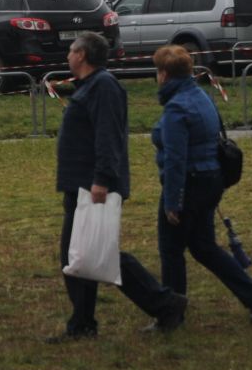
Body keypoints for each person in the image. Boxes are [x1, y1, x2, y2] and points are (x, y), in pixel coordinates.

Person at [47, 32, 185, 341]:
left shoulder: (103, 87)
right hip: (81, 184)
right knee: (83, 256)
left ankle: (165, 304)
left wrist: (102, 180)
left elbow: (108, 137)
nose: (68, 56)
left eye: (71, 51)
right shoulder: (89, 86)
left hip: (93, 186)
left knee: (89, 255)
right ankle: (84, 322)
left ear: (82, 55)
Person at [151, 45, 252, 322]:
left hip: (188, 182)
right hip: (211, 180)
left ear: (163, 75)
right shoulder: (202, 97)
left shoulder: (175, 109)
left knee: (171, 250)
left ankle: (171, 312)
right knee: (203, 246)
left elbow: (175, 159)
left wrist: (173, 201)